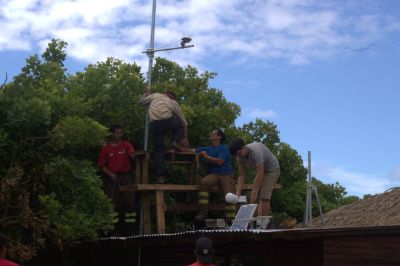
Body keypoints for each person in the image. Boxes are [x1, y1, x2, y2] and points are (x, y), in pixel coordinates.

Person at [138, 88, 189, 183]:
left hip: (155, 124)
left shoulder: (155, 95)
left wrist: (145, 94)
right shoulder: (173, 102)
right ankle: (175, 141)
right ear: (172, 97)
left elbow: (141, 102)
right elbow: (184, 122)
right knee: (179, 124)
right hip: (167, 122)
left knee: (159, 150)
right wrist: (184, 138)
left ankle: (160, 177)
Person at [98, 124, 137, 232]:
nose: (119, 135)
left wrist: (136, 156)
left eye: (121, 133)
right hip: (112, 177)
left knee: (129, 200)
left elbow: (133, 155)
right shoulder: (106, 148)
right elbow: (102, 165)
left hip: (126, 176)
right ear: (112, 133)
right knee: (112, 201)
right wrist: (110, 174)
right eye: (117, 132)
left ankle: (130, 228)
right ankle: (113, 229)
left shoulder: (126, 145)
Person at [229, 138, 280, 216]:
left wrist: (254, 191)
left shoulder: (256, 152)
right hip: (261, 171)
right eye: (236, 155)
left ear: (244, 147)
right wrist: (238, 193)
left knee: (264, 196)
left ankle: (264, 224)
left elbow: (260, 174)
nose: (238, 156)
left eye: (239, 153)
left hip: (272, 170)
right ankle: (254, 223)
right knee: (254, 198)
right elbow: (241, 175)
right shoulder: (239, 157)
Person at [194, 130, 236, 223]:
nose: (211, 134)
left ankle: (231, 220)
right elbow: (192, 150)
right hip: (213, 174)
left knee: (228, 194)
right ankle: (202, 215)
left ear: (219, 137)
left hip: (226, 174)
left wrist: (205, 156)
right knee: (204, 183)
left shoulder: (225, 148)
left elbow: (220, 161)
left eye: (214, 133)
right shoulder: (208, 148)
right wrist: (177, 148)